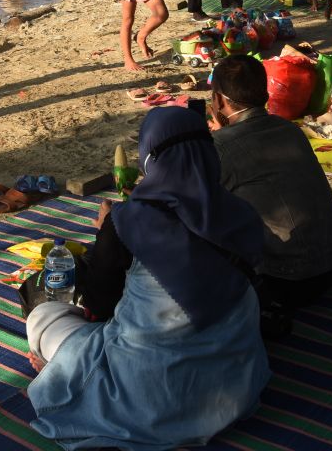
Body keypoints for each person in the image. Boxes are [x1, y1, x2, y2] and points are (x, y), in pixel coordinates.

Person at [26, 107, 271, 450]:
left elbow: (99, 303)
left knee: (44, 316)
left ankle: (59, 370)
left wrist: (106, 233)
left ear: (149, 158)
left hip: (149, 394)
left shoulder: (128, 220)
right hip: (235, 383)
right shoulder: (241, 213)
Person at [208, 56, 332, 335]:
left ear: (219, 101)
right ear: (265, 93)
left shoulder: (220, 146)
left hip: (287, 280)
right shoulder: (290, 129)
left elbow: (198, 201)